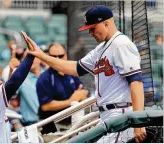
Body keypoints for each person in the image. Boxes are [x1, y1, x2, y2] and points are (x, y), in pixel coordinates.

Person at [21, 5, 146, 143]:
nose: (90, 32)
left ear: (106, 23)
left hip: (120, 112)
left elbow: (136, 82)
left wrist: (138, 119)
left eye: (93, 28)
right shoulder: (100, 50)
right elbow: (74, 68)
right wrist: (42, 56)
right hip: (107, 114)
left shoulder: (121, 44)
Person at [36, 43, 88, 133]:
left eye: (61, 56)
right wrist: (70, 101)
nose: (57, 59)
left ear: (66, 55)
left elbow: (83, 93)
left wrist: (81, 96)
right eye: (53, 56)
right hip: (52, 129)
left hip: (73, 125)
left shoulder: (72, 74)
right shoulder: (44, 78)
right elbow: (45, 106)